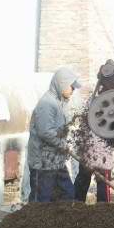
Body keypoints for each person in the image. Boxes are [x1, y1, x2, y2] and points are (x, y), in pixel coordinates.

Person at [27, 66, 81, 202]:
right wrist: (62, 145)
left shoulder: (59, 103)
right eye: (71, 86)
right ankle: (34, 222)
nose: (73, 90)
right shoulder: (47, 104)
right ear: (61, 84)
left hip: (56, 160)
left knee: (67, 194)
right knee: (41, 200)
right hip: (43, 163)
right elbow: (45, 132)